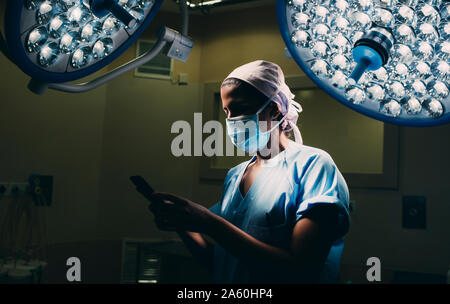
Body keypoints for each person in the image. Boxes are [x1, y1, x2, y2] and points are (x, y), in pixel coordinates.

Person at [148, 60, 350, 284]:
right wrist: (183, 224)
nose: (232, 120)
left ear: (274, 109)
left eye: (241, 108)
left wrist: (209, 223)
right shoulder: (235, 176)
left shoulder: (313, 165)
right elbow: (221, 263)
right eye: (227, 111)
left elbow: (301, 269)